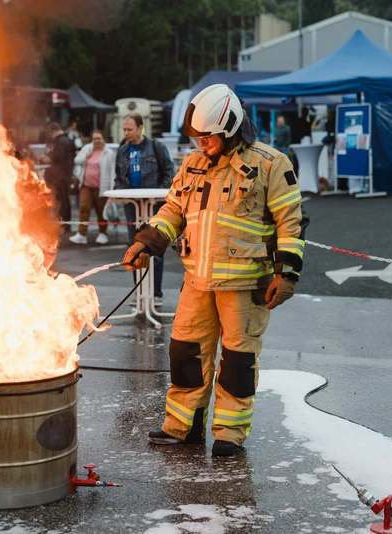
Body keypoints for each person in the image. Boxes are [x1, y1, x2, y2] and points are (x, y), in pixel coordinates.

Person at [122, 84, 307, 457]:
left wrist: (286, 274)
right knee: (185, 354)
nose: (200, 145)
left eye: (207, 138)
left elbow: (291, 223)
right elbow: (173, 210)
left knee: (237, 363)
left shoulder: (271, 164)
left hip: (245, 286)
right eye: (197, 138)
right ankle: (183, 426)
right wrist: (148, 242)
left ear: (230, 128)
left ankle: (229, 433)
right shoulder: (192, 165)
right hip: (197, 282)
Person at [114, 113, 174, 306]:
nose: (126, 133)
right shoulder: (122, 151)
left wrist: (160, 196)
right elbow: (118, 175)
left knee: (153, 245)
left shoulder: (156, 147)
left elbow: (168, 172)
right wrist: (119, 194)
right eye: (124, 129)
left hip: (154, 205)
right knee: (135, 247)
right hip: (132, 204)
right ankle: (138, 291)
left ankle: (155, 292)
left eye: (129, 129)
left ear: (141, 128)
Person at [70, 130, 115, 245]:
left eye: (99, 138)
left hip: (101, 187)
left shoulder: (109, 153)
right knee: (83, 208)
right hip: (86, 185)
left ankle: (103, 233)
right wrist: (86, 156)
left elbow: (112, 172)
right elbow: (77, 161)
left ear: (103, 139)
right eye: (94, 139)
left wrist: (111, 190)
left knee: (101, 211)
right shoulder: (87, 148)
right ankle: (82, 234)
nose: (97, 141)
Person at [43, 122, 76, 233]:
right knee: (64, 201)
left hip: (60, 177)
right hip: (65, 176)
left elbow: (59, 158)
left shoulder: (61, 142)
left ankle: (64, 226)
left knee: (61, 202)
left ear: (53, 132)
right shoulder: (68, 140)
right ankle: (65, 225)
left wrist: (49, 154)